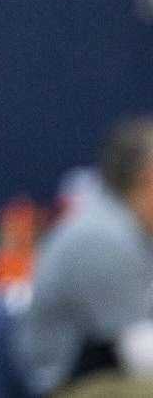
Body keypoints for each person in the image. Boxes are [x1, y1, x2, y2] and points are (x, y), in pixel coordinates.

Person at [11, 118, 153, 398]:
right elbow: (141, 352)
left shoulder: (119, 222)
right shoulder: (105, 237)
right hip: (66, 385)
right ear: (146, 178)